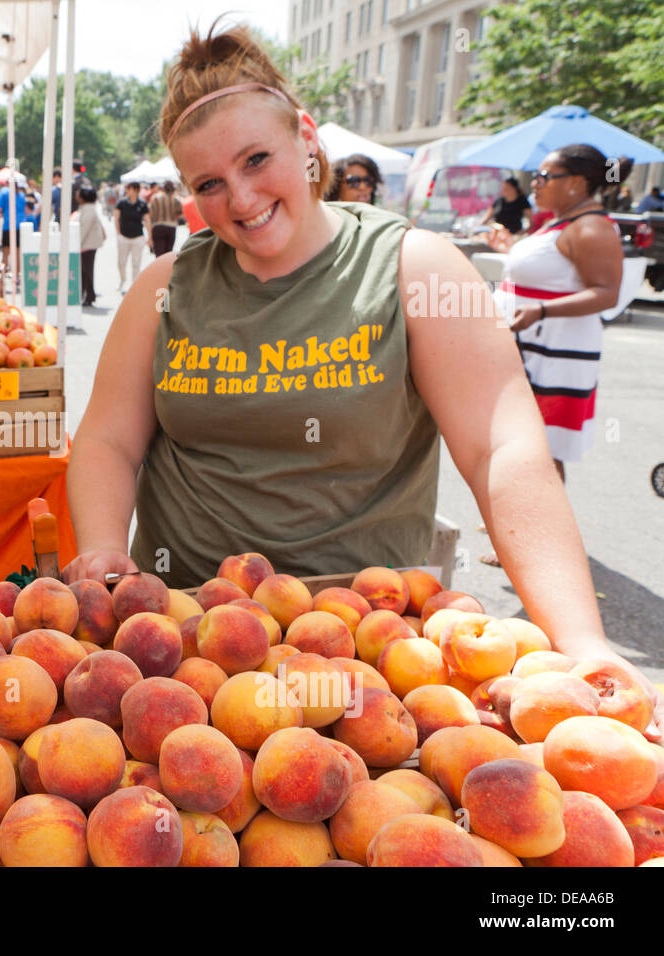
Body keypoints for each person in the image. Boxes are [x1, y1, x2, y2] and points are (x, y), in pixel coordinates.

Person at [61, 22, 660, 735]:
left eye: (258, 159)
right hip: (192, 647)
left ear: (307, 138)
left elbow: (503, 452)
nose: (242, 198)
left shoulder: (416, 268)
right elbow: (107, 440)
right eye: (210, 184)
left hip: (373, 655)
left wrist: (581, 642)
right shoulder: (165, 287)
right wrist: (101, 544)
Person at [486, 145, 623, 488]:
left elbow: (607, 292)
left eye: (544, 176)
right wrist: (509, 250)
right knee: (521, 441)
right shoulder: (564, 221)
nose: (534, 183)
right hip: (534, 345)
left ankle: (542, 530)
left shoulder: (591, 226)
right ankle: (521, 522)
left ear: (576, 182)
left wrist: (541, 310)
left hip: (554, 351)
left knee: (542, 449)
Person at [114, 181, 150, 290]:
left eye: (128, 189)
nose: (127, 191)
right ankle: (123, 279)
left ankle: (134, 284)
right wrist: (119, 233)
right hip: (124, 236)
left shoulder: (142, 204)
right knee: (121, 262)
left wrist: (150, 236)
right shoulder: (121, 203)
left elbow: (147, 220)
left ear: (134, 190)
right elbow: (116, 218)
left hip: (138, 236)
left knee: (136, 262)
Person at [75, 186, 106, 308]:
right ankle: (86, 294)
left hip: (87, 245)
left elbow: (84, 229)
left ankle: (89, 295)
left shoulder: (88, 210)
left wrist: (77, 244)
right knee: (85, 271)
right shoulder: (88, 208)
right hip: (87, 244)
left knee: (87, 271)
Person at [148, 181, 181, 256]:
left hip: (158, 227)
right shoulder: (176, 199)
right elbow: (180, 214)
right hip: (171, 227)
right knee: (168, 252)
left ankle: (160, 267)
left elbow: (150, 214)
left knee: (159, 253)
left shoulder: (155, 198)